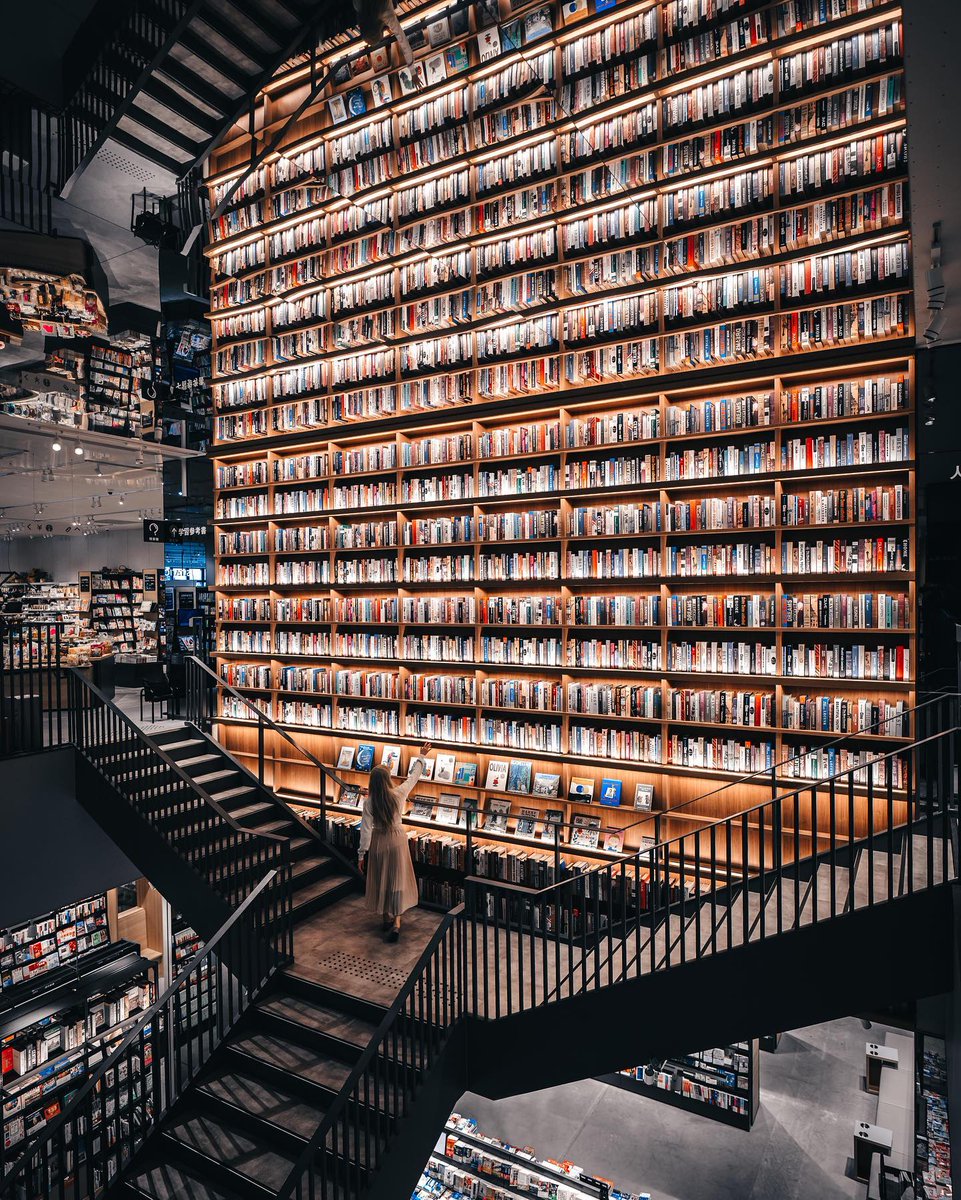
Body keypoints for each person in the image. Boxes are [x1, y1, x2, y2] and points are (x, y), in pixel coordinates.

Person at [359, 741, 431, 942]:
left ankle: (385, 917)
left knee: (382, 877)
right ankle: (398, 922)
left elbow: (365, 830)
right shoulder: (398, 794)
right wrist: (421, 756)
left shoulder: (369, 802)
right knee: (397, 879)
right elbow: (413, 777)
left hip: (379, 839)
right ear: (388, 780)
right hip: (397, 839)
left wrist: (361, 854)